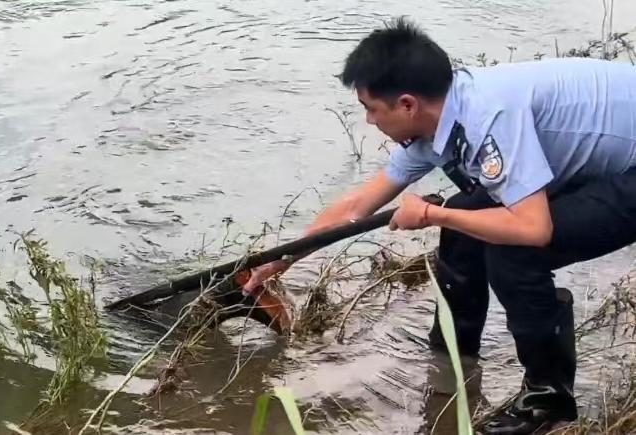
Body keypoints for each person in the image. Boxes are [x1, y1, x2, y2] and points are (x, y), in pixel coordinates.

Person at [241, 17, 636, 434]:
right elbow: (356, 204)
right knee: (468, 222)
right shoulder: (442, 116)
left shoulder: (488, 116)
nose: (370, 123)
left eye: (371, 110)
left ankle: (547, 401)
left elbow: (533, 229)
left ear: (407, 104)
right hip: (608, 158)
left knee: (513, 248)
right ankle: (454, 356)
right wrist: (280, 260)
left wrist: (431, 215)